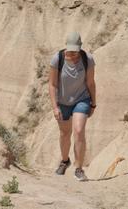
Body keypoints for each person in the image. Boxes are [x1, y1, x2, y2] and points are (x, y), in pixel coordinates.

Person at [49, 31, 96, 181]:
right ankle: (65, 161)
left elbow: (90, 83)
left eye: (76, 51)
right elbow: (52, 84)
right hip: (63, 102)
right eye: (71, 50)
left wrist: (93, 103)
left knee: (79, 130)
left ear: (80, 47)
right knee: (64, 133)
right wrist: (55, 107)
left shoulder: (87, 59)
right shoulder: (58, 59)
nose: (73, 54)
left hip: (81, 100)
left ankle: (79, 168)